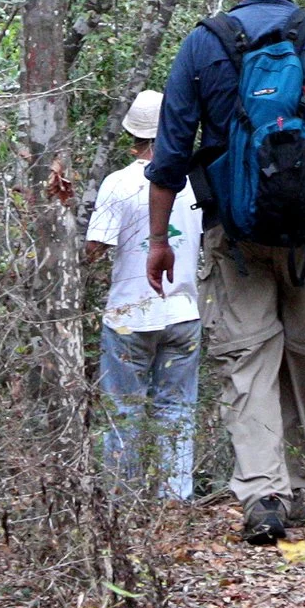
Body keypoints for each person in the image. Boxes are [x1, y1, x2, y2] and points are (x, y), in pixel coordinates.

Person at [145, 0, 305, 545]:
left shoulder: (205, 43)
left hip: (236, 227)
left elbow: (171, 151)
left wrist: (157, 239)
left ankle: (262, 492)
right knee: (300, 348)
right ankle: (298, 486)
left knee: (248, 355)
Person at [86, 90, 204, 502]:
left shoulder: (117, 184)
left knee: (124, 410)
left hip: (128, 315)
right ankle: (174, 499)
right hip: (184, 311)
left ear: (132, 135)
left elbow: (94, 249)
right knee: (176, 408)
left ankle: (122, 503)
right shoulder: (193, 182)